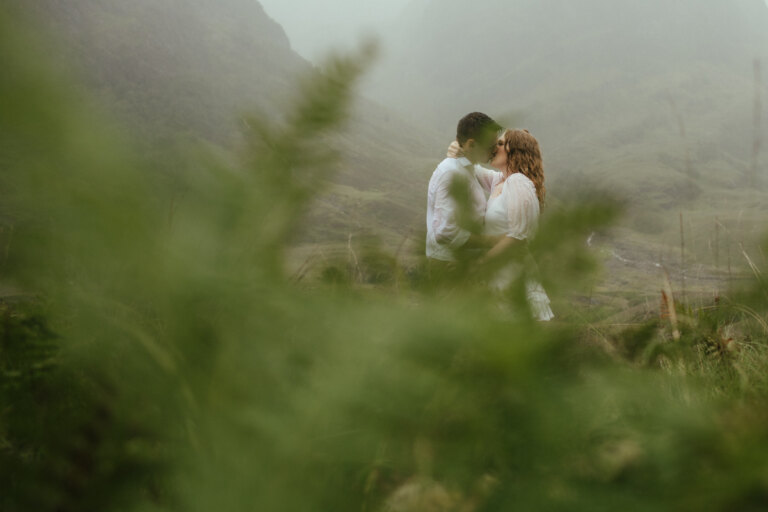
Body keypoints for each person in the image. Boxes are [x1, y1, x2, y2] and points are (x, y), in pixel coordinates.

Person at [481, 129, 554, 321]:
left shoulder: (518, 182)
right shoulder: (500, 182)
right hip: (498, 273)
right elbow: (468, 167)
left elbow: (518, 237)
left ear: (515, 151)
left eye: (500, 143)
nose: (494, 147)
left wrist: (481, 264)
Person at [425, 112, 503, 273]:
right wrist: (492, 241)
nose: (495, 150)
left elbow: (501, 180)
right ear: (471, 144)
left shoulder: (468, 168)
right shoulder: (451, 174)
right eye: (491, 146)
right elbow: (445, 232)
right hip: (447, 267)